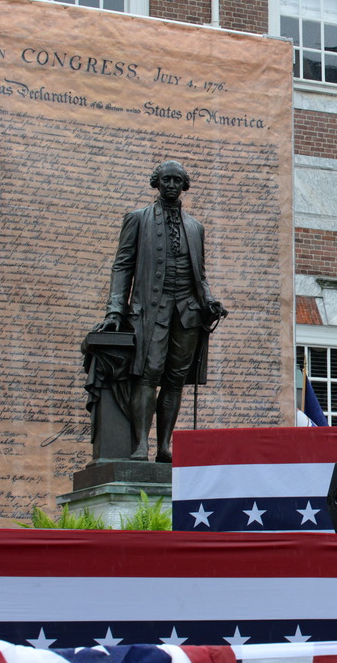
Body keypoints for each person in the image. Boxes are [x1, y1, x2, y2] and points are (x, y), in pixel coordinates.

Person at [94, 160, 226, 462]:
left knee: (175, 379)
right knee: (148, 374)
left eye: (177, 181)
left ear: (184, 186)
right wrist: (115, 310)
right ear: (156, 182)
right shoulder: (137, 219)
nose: (171, 185)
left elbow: (200, 275)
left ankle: (164, 445)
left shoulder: (195, 227)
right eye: (166, 180)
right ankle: (141, 443)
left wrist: (209, 299)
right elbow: (122, 266)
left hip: (188, 312)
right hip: (150, 310)